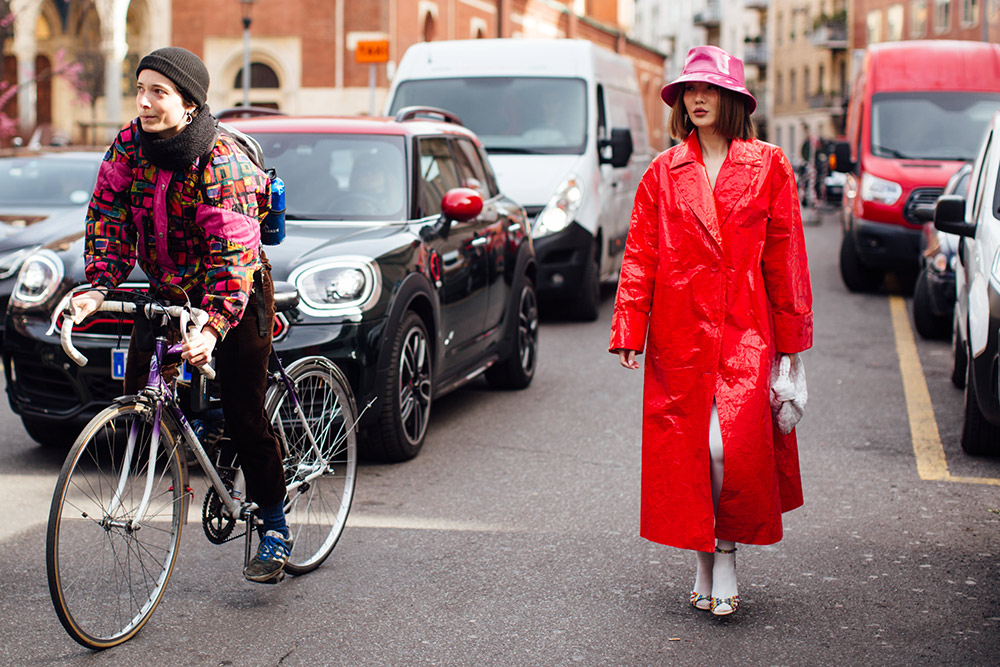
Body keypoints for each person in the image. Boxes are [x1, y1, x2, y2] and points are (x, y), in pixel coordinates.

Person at [71, 46, 293, 584]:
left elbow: (234, 258)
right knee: (144, 391)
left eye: (158, 92)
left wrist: (214, 326)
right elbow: (108, 214)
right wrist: (99, 286)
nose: (144, 102)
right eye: (140, 88)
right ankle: (200, 430)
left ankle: (273, 524)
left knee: (244, 413)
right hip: (168, 290)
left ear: (189, 102)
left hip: (235, 292)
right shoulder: (129, 144)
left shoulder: (222, 162)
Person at [609, 45, 813, 617]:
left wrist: (792, 347)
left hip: (748, 328)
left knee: (729, 450)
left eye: (709, 89)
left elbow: (786, 254)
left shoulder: (769, 164)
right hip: (681, 329)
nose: (697, 98)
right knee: (692, 449)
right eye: (689, 90)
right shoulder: (663, 171)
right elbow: (640, 254)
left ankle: (722, 551)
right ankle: (705, 559)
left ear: (732, 99)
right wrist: (630, 325)